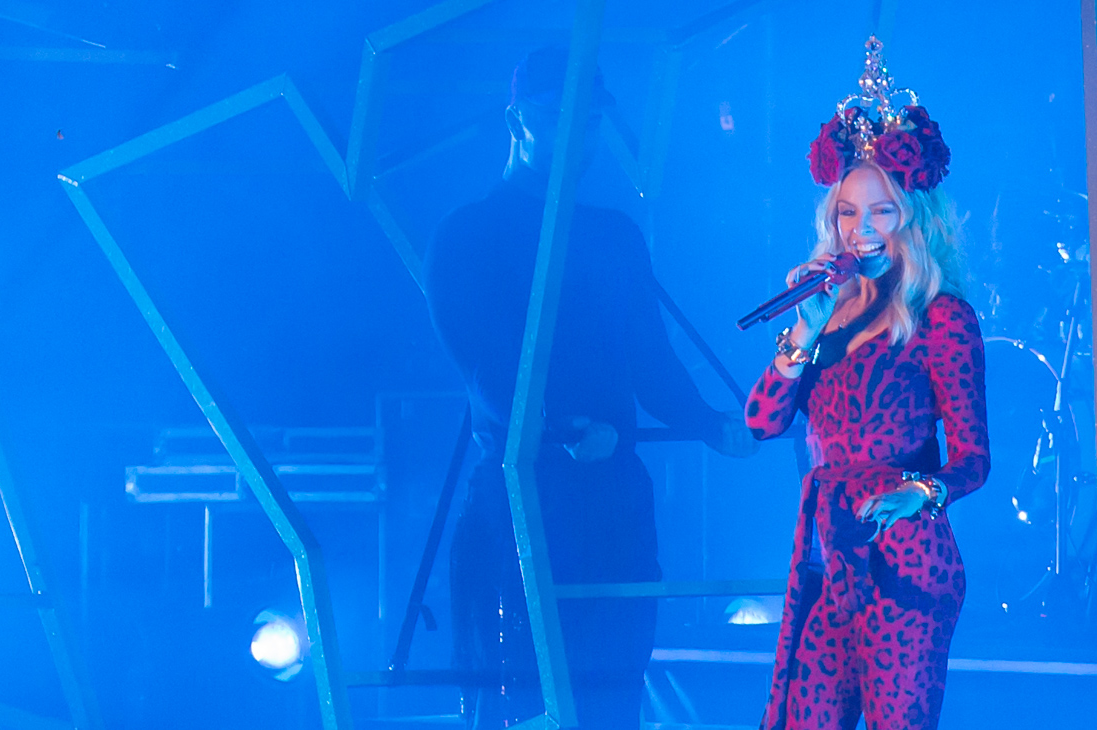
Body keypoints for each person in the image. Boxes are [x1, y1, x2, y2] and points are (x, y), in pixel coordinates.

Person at [422, 47, 756, 730]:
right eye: (559, 118)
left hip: (613, 506)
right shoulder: (468, 234)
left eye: (591, 121)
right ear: (517, 121)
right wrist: (557, 429)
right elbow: (485, 367)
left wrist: (709, 423)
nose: (578, 136)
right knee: (522, 702)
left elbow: (651, 360)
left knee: (613, 701)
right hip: (524, 500)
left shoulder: (613, 235)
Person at [745, 38, 990, 730]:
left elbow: (974, 459)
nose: (862, 230)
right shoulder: (823, 314)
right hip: (827, 555)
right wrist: (804, 331)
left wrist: (922, 491)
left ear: (913, 215)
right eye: (848, 212)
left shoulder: (942, 317)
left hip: (905, 560)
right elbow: (761, 422)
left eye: (881, 211)